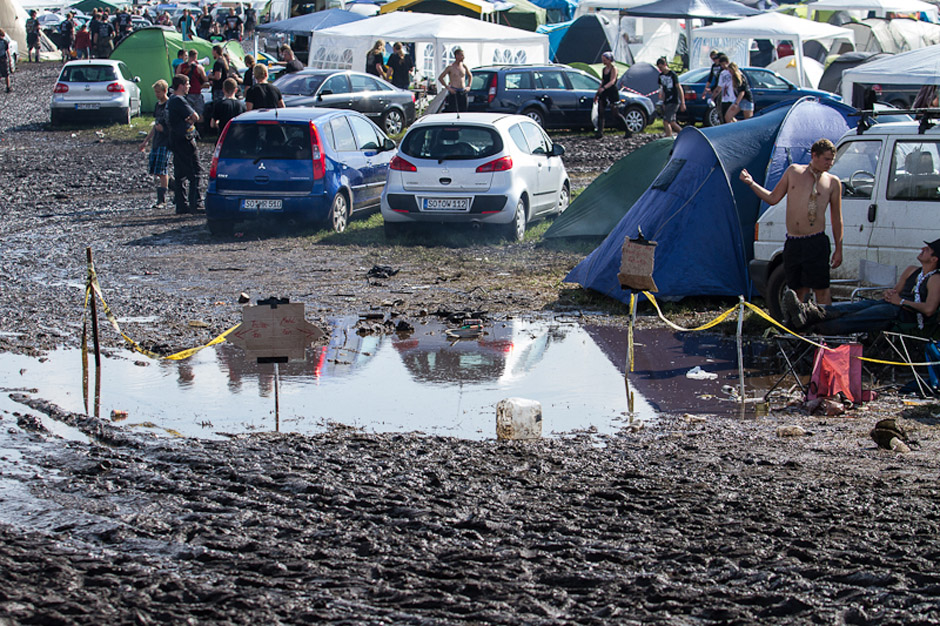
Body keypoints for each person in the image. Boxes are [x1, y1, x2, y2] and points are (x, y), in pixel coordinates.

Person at [740, 138, 844, 305]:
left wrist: (839, 249)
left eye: (832, 159)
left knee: (821, 289)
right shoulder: (794, 172)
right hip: (794, 241)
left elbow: (837, 218)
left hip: (816, 241)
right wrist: (751, 183)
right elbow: (773, 198)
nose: (830, 163)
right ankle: (798, 327)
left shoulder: (833, 182)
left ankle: (824, 328)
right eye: (826, 159)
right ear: (814, 155)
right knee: (796, 290)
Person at [784, 240, 940, 335]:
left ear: (934, 259)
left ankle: (808, 325)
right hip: (891, 305)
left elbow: (929, 309)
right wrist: (889, 294)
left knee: (857, 317)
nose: (922, 249)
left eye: (927, 250)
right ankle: (807, 313)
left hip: (904, 314)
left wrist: (901, 302)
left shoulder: (935, 279)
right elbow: (896, 292)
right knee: (856, 306)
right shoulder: (912, 270)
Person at [166, 74, 202, 214]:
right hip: (185, 140)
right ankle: (195, 203)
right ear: (180, 85)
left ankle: (181, 204)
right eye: (187, 84)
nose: (189, 86)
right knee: (195, 172)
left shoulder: (170, 101)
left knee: (180, 173)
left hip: (174, 139)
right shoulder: (179, 100)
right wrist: (190, 121)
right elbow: (195, 117)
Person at [139, 79, 171, 210]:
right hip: (157, 141)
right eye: (155, 92)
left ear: (165, 91)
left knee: (162, 170)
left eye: (158, 92)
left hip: (166, 141)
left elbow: (172, 125)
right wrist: (146, 141)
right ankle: (173, 185)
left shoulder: (169, 105)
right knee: (154, 169)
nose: (156, 94)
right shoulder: (158, 105)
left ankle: (162, 200)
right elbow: (155, 125)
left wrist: (164, 130)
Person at [593, 52, 620, 139]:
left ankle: (627, 129)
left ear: (609, 60)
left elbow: (612, 81)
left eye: (605, 60)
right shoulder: (604, 69)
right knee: (600, 110)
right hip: (604, 91)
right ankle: (600, 132)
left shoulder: (613, 69)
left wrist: (604, 88)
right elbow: (603, 81)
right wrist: (597, 93)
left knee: (615, 112)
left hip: (611, 91)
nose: (603, 61)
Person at [656, 56, 684, 138]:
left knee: (666, 121)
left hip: (674, 100)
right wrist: (663, 101)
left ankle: (668, 137)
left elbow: (679, 88)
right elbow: (662, 89)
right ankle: (683, 133)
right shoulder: (660, 76)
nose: (660, 69)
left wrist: (682, 102)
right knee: (672, 122)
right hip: (667, 100)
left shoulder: (672, 75)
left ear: (665, 65)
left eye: (661, 67)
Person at [438, 47, 471, 113]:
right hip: (454, 92)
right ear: (457, 56)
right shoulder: (450, 67)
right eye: (461, 55)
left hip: (462, 91)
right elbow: (440, 78)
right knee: (453, 111)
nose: (463, 57)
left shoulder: (464, 66)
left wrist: (469, 86)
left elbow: (470, 75)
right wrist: (448, 88)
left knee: (463, 111)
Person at [177, 49, 207, 117]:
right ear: (195, 57)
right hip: (196, 92)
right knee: (199, 114)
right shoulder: (198, 67)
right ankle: (200, 127)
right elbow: (205, 78)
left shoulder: (181, 66)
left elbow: (177, 78)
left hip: (184, 93)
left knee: (187, 114)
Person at [716, 54, 735, 124]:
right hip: (725, 98)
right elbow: (719, 86)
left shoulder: (733, 72)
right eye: (721, 65)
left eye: (723, 64)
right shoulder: (722, 73)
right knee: (725, 117)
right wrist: (713, 96)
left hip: (733, 98)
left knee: (729, 116)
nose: (722, 66)